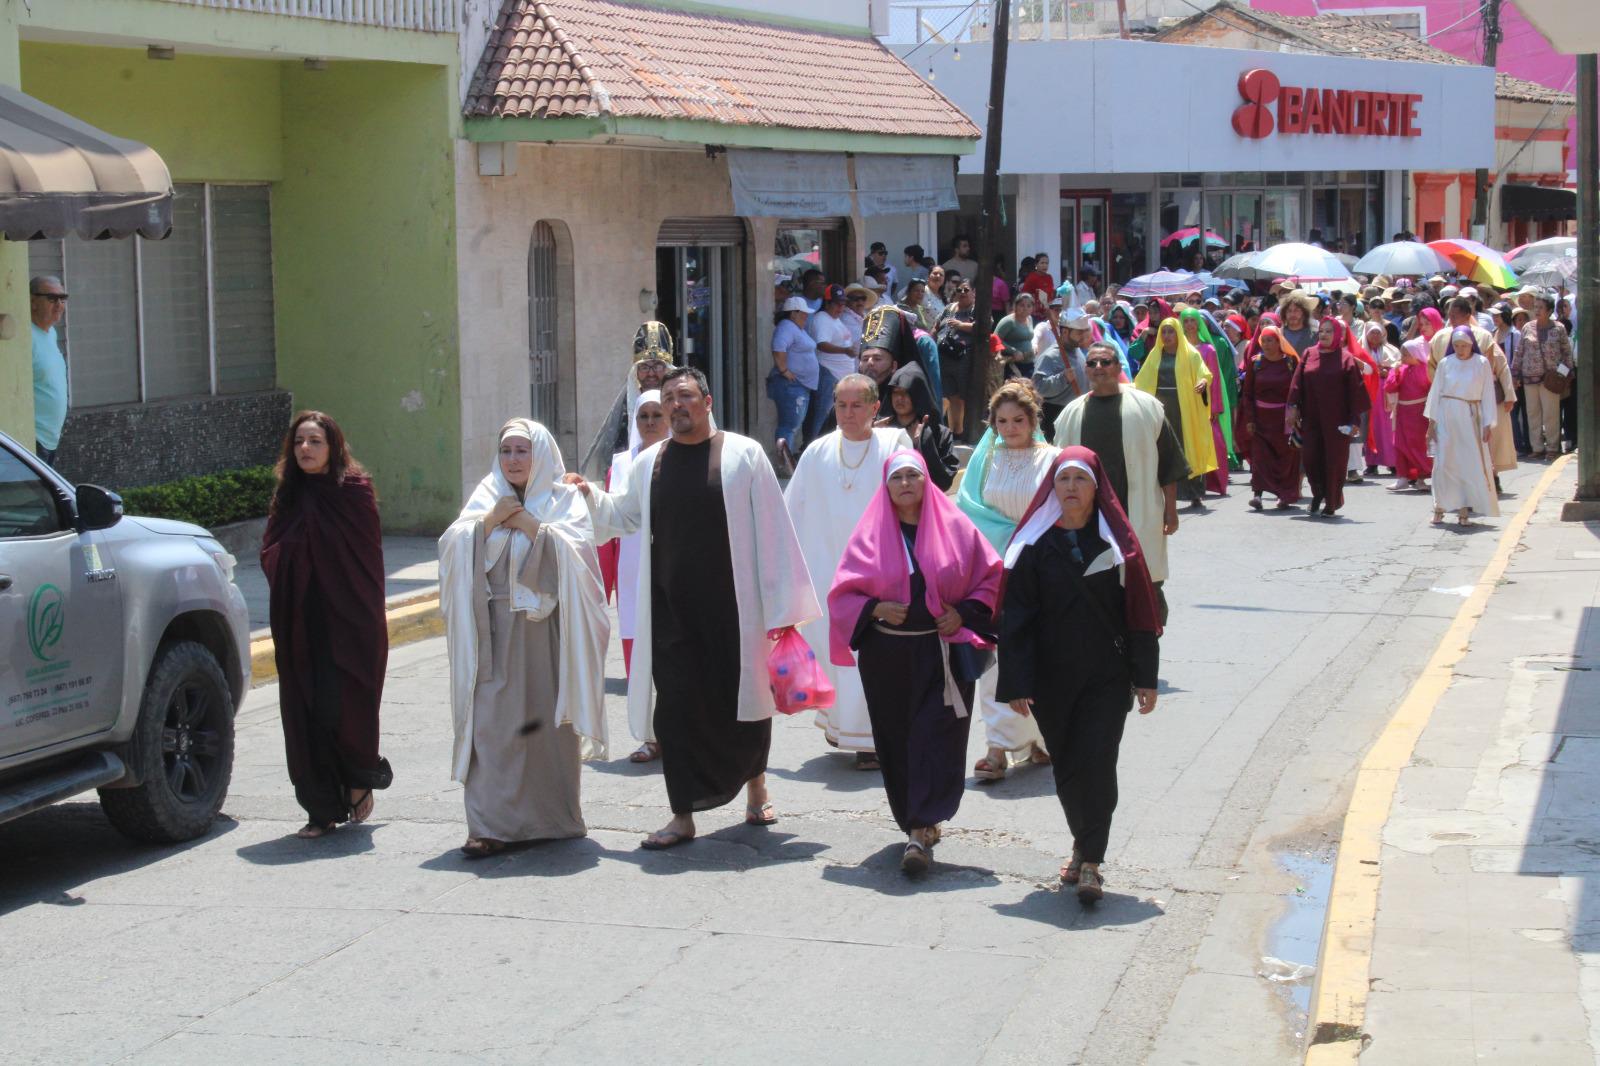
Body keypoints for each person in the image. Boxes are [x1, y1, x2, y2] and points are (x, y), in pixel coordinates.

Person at [575, 367, 819, 849]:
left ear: (707, 402)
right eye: (668, 400)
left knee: (746, 707)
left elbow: (774, 530)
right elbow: (623, 516)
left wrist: (782, 606)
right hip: (671, 611)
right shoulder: (651, 462)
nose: (675, 406)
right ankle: (681, 815)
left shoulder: (743, 455)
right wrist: (587, 495)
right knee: (676, 713)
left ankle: (756, 788)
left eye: (684, 396)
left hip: (737, 612)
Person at [996, 447, 1162, 903]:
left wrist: (1144, 677)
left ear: (1096, 488)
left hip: (1106, 677)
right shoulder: (1033, 546)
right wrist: (1015, 683)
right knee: (1068, 766)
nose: (1071, 488)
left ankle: (1091, 860)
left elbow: (1140, 613)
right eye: (1063, 479)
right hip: (1052, 680)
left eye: (1080, 480)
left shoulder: (1117, 547)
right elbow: (1016, 619)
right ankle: (1081, 841)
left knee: (1098, 761)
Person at [439, 419, 609, 857]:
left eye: (522, 451)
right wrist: (488, 523)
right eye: (506, 451)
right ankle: (488, 826)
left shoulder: (564, 499)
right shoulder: (485, 497)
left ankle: (553, 819)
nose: (513, 460)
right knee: (492, 729)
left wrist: (535, 527)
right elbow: (453, 545)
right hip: (492, 632)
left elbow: (581, 562)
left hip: (545, 633)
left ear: (540, 455)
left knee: (547, 730)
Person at [828, 450, 1003, 874]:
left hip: (940, 651)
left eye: (913, 476)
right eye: (897, 478)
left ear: (927, 481)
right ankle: (914, 819)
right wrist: (874, 609)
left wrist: (963, 612)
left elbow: (991, 577)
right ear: (886, 487)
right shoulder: (869, 535)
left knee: (935, 735)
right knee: (898, 737)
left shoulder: (957, 528)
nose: (905, 483)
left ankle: (920, 828)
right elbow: (842, 593)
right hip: (887, 657)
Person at [261, 411, 393, 838]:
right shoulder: (289, 495)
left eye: (315, 441)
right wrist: (292, 556)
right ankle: (320, 810)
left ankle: (358, 780)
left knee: (346, 704)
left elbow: (366, 559)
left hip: (349, 620)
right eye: (299, 441)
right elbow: (270, 551)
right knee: (307, 709)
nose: (305, 449)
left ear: (333, 447)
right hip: (302, 620)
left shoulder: (353, 492)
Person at [784, 374, 911, 765]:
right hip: (827, 569)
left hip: (878, 570)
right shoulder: (818, 451)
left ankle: (872, 740)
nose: (848, 413)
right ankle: (847, 728)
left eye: (858, 405)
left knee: (871, 654)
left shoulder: (893, 444)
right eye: (841, 405)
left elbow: (911, 498)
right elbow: (791, 510)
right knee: (834, 654)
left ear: (876, 409)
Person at [955, 381, 1059, 780]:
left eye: (1018, 420)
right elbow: (967, 509)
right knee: (994, 658)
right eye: (1002, 421)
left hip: (1041, 569)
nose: (1010, 428)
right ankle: (997, 746)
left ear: (1033, 420)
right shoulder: (985, 459)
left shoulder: (1053, 459)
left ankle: (1041, 736)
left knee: (1041, 652)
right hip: (993, 568)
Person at [1054, 341, 1187, 617]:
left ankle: (1147, 643)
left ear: (1118, 367)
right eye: (1092, 363)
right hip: (1090, 519)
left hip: (1139, 514)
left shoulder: (1148, 408)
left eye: (1105, 362)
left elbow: (1169, 465)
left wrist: (1170, 512)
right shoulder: (1070, 415)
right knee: (1098, 590)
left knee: (1146, 589)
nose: (1099, 368)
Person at [604, 392, 670, 761]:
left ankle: (677, 734)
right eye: (643, 415)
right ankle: (649, 736)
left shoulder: (682, 457)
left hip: (672, 569)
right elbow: (610, 520)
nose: (649, 422)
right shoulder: (620, 465)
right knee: (638, 660)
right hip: (633, 574)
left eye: (656, 414)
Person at [1287, 319, 1370, 518]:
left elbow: (1355, 393)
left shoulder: (1346, 358)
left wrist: (1354, 422)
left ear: (1338, 335)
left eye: (1329, 331)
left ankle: (1331, 502)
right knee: (1310, 459)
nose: (1323, 334)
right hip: (1311, 417)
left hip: (1337, 421)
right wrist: (1292, 407)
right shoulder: (1309, 353)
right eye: (1322, 331)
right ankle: (1318, 494)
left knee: (1334, 462)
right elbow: (1297, 382)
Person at [1133, 317, 1216, 508]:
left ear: (1178, 333)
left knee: (1188, 446)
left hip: (1185, 407)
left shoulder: (1191, 354)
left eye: (1171, 331)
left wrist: (1203, 382)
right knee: (1164, 448)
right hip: (1162, 408)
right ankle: (1165, 492)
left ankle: (1193, 492)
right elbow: (1141, 381)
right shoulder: (1155, 355)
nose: (1167, 336)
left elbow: (1204, 373)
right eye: (1164, 331)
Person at [579, 321, 676, 478]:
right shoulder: (624, 413)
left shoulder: (680, 406)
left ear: (668, 369)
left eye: (657, 366)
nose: (651, 374)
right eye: (644, 367)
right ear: (636, 372)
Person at [1426, 327, 1500, 527]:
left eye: (1464, 346)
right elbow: (1435, 394)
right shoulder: (1445, 363)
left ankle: (1464, 509)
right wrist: (1431, 424)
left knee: (1467, 463)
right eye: (1457, 346)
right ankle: (1439, 506)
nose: (1460, 350)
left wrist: (1488, 423)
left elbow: (1487, 395)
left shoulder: (1481, 363)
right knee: (1444, 463)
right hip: (1447, 415)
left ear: (1471, 345)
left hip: (1470, 417)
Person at [1237, 325, 1303, 510]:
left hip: (1284, 420)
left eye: (1270, 340)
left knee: (1286, 457)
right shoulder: (1255, 362)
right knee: (1261, 457)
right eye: (1263, 341)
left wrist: (1294, 412)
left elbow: (1297, 390)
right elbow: (1248, 393)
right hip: (1260, 419)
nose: (1266, 344)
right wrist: (1249, 419)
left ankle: (1284, 495)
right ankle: (1257, 494)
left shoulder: (1290, 362)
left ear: (1279, 341)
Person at [1179, 308, 1233, 494]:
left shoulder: (1209, 350)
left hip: (1205, 403)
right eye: (1185, 321)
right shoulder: (1178, 349)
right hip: (1185, 403)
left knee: (1214, 442)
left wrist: (1215, 407)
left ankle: (1216, 483)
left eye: (1192, 321)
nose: (1189, 325)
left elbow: (1215, 380)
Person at [886, 362, 959, 491]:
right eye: (895, 392)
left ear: (918, 395)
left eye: (905, 393)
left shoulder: (939, 433)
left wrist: (923, 444)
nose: (899, 398)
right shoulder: (882, 429)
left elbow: (944, 482)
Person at [1518, 293, 1573, 461]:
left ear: (1549, 310)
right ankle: (1537, 447)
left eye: (1541, 307)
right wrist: (1515, 373)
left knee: (1551, 414)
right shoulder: (1527, 327)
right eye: (1536, 307)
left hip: (1551, 379)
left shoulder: (1559, 328)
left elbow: (1566, 353)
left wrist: (1564, 375)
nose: (1537, 310)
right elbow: (1519, 352)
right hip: (1529, 378)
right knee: (1533, 413)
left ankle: (1552, 447)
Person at [769, 294, 818, 473]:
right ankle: (784, 466)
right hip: (791, 386)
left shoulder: (796, 328)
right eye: (803, 313)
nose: (806, 316)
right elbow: (778, 348)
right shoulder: (787, 327)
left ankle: (786, 464)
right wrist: (784, 370)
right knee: (788, 426)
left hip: (799, 386)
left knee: (792, 426)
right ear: (793, 313)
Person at [29, 276, 69, 465]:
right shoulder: (25, 336)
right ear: (33, 302)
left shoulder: (50, 333)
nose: (59, 305)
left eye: (62, 299)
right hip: (31, 440)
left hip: (50, 439)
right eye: (52, 299)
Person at [1034, 307, 1091, 435]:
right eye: (1079, 333)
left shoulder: (1077, 351)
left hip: (1077, 411)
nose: (1083, 336)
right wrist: (1063, 378)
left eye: (1084, 332)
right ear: (1065, 332)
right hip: (1057, 415)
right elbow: (1039, 387)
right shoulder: (1050, 356)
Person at [1385, 337, 1433, 491]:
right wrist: (1396, 373)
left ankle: (1421, 477)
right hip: (1402, 412)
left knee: (1418, 445)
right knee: (1400, 445)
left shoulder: (1426, 369)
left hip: (1419, 413)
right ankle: (1403, 476)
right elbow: (1390, 387)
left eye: (1406, 354)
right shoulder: (1401, 369)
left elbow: (1430, 388)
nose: (1403, 358)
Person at [810, 284, 857, 436]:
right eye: (837, 304)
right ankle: (814, 448)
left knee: (833, 416)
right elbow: (821, 344)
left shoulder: (835, 319)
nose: (841, 307)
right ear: (827, 303)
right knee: (822, 415)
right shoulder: (822, 318)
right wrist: (845, 350)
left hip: (840, 377)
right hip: (829, 373)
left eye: (843, 304)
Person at [936, 281, 975, 436]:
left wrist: (960, 325)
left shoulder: (976, 309)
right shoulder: (949, 308)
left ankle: (965, 431)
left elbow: (983, 326)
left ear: (973, 292)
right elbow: (937, 325)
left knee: (964, 397)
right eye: (959, 289)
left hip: (965, 358)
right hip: (945, 357)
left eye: (966, 289)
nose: (963, 292)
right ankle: (954, 432)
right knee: (951, 396)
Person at [1362, 320, 1400, 476]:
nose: (1375, 335)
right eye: (1372, 332)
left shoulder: (1391, 350)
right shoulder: (1360, 349)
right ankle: (1372, 462)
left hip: (1386, 393)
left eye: (1378, 332)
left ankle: (1392, 462)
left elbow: (1398, 366)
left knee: (1388, 427)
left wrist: (1388, 371)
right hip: (1369, 391)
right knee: (1371, 426)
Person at [995, 293, 1038, 378]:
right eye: (1022, 305)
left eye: (1029, 306)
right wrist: (1013, 351)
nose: (1025, 308)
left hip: (1029, 363)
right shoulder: (1008, 321)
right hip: (1012, 364)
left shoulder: (1030, 319)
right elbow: (996, 339)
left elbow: (1028, 337)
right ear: (1015, 306)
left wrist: (1033, 345)